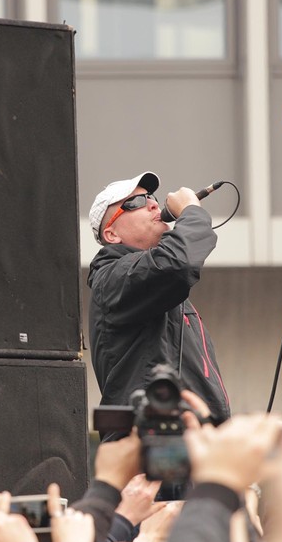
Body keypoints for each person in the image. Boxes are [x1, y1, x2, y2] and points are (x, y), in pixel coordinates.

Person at [87, 171, 230, 435]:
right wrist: (190, 210)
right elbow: (178, 262)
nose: (153, 204)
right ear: (111, 234)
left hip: (192, 448)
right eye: (135, 203)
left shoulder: (154, 283)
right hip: (149, 448)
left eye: (151, 197)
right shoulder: (112, 278)